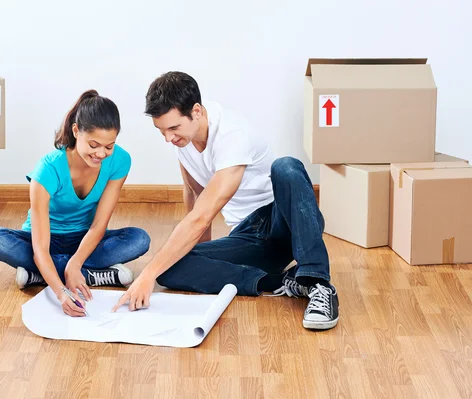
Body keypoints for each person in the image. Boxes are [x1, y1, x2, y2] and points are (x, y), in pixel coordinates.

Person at [112, 72, 339, 330]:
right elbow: (196, 194)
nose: (168, 138)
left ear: (196, 111)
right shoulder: (183, 140)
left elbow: (203, 215)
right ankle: (280, 282)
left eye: (173, 128)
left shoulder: (232, 135)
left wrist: (146, 274)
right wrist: (198, 256)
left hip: (285, 222)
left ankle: (318, 283)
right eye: (161, 130)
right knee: (170, 267)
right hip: (249, 237)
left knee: (286, 167)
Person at [0, 90, 151, 317]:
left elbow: (99, 225)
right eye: (94, 144)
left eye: (109, 146)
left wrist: (75, 263)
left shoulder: (120, 161)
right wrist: (62, 294)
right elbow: (40, 247)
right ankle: (90, 274)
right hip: (44, 241)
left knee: (139, 239)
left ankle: (43, 274)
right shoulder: (48, 169)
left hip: (86, 241)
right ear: (75, 131)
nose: (101, 153)